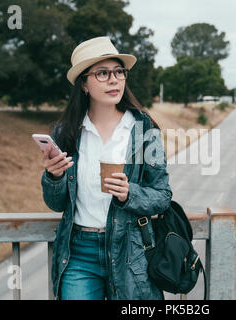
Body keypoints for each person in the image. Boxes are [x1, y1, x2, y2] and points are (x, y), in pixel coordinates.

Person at [40, 37, 172, 300]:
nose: (114, 80)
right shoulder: (66, 133)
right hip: (79, 253)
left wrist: (128, 193)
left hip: (130, 253)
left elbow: (162, 196)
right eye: (102, 73)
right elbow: (56, 204)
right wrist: (54, 176)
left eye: (119, 72)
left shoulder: (145, 131)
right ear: (84, 84)